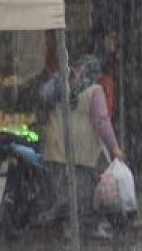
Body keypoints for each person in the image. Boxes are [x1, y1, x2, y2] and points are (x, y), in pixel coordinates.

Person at [39, 54, 125, 240]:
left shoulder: (61, 87)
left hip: (57, 145)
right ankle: (91, 225)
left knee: (64, 190)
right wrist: (114, 147)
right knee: (89, 189)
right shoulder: (95, 90)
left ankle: (67, 226)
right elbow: (101, 121)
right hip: (83, 147)